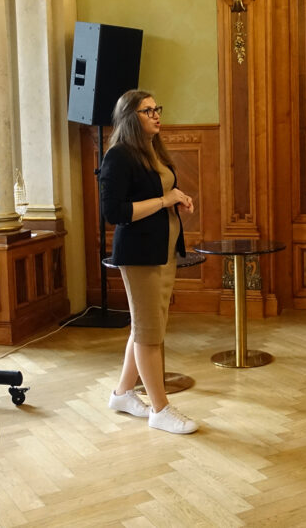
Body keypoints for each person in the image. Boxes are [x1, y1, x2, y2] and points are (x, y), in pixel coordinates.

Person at [99, 90, 199, 434]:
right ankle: (160, 410)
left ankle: (123, 394)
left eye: (157, 108)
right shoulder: (119, 155)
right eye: (147, 110)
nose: (156, 115)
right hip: (139, 254)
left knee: (146, 327)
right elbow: (115, 213)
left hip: (163, 251)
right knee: (148, 332)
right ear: (130, 117)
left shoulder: (152, 149)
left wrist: (177, 199)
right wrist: (164, 200)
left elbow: (159, 194)